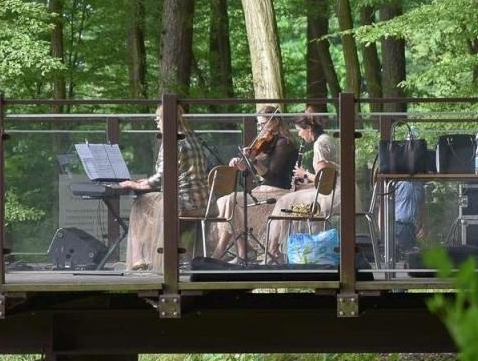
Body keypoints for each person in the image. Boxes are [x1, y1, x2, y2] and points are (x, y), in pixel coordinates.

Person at [118, 104, 213, 270]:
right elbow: (176, 172)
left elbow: (162, 177)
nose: (156, 123)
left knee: (139, 204)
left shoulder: (171, 140)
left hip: (182, 202)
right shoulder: (193, 138)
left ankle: (138, 258)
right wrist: (145, 181)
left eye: (157, 119)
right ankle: (151, 256)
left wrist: (136, 184)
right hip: (202, 202)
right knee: (151, 204)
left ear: (166, 119)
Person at [213, 105, 297, 262]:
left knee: (231, 200)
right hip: (264, 188)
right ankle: (242, 251)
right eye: (259, 124)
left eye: (264, 123)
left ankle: (224, 250)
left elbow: (273, 177)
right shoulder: (268, 143)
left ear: (276, 121)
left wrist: (254, 161)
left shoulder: (284, 144)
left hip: (278, 192)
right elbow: (254, 173)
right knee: (224, 200)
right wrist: (242, 164)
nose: (261, 128)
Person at [266, 109, 340, 261]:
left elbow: (324, 179)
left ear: (309, 129)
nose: (299, 134)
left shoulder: (319, 144)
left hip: (333, 195)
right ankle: (277, 251)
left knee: (283, 202)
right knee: (292, 198)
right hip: (341, 190)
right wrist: (304, 187)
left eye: (300, 130)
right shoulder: (329, 139)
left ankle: (272, 251)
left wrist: (303, 173)